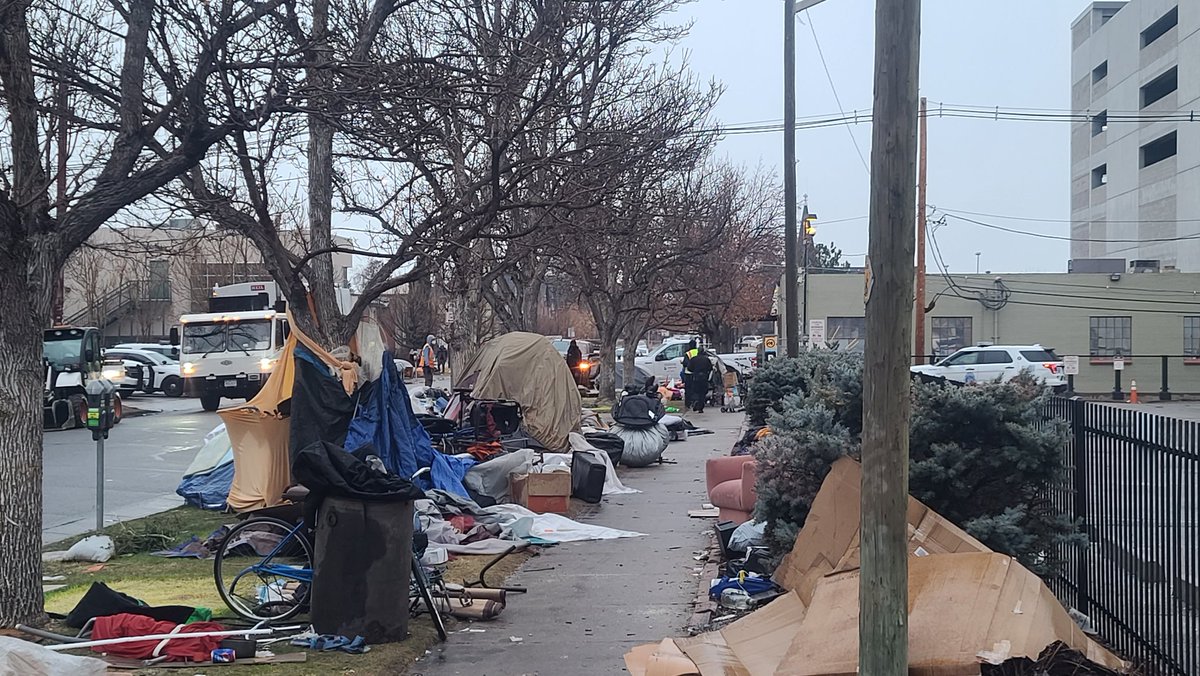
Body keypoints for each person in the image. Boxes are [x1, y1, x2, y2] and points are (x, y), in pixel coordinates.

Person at [687, 346, 713, 413]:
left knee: (696, 392)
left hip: (696, 377)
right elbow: (710, 368)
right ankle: (700, 407)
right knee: (702, 393)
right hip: (704, 378)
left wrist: (695, 371)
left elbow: (689, 368)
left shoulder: (693, 359)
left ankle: (696, 403)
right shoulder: (706, 359)